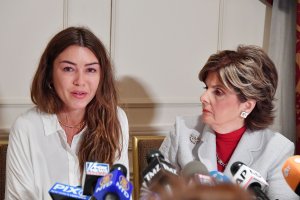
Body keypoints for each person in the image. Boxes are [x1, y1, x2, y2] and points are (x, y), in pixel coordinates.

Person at [158, 45, 299, 199]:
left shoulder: (277, 150)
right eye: (206, 87)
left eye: (218, 91)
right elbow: (155, 193)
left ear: (247, 105)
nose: (203, 97)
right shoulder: (183, 131)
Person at [5, 26, 129, 200]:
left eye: (90, 70)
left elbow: (119, 193)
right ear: (49, 74)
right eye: (68, 69)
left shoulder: (115, 119)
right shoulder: (26, 128)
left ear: (102, 76)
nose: (80, 81)